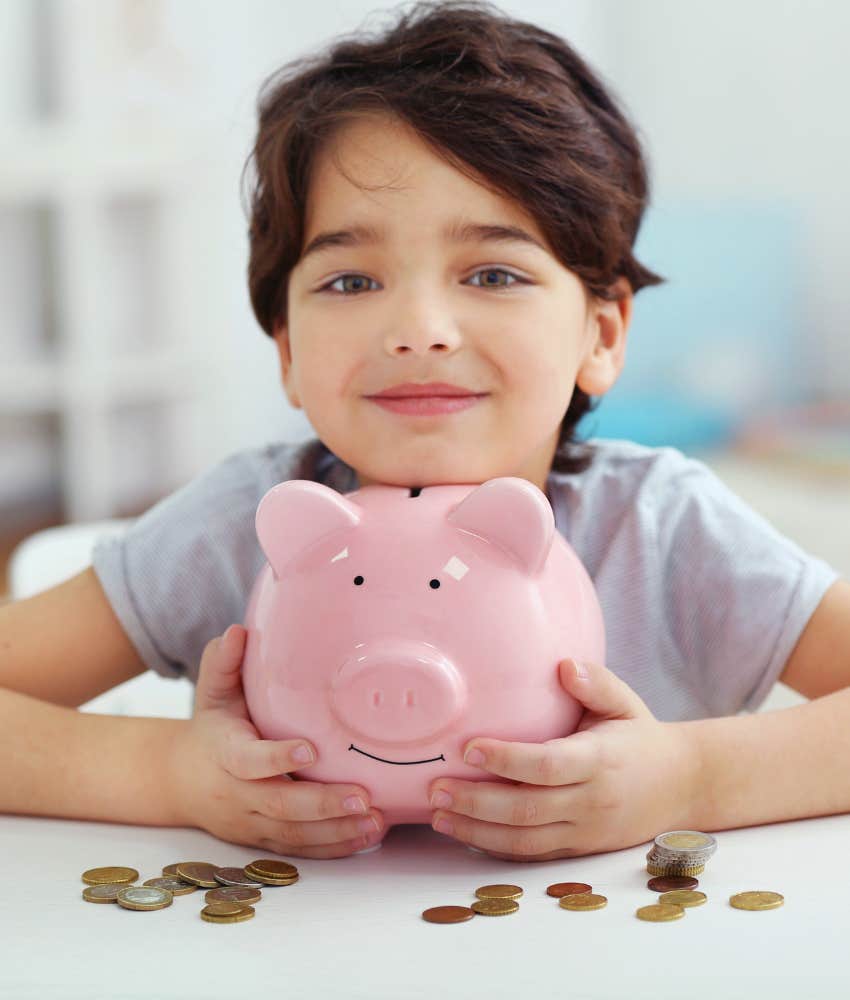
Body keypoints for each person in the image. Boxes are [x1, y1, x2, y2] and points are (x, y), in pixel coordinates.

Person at [1, 0, 848, 863]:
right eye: (350, 282)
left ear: (601, 335)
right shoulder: (239, 524)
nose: (419, 328)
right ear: (286, 350)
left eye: (491, 271)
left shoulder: (665, 529)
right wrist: (167, 776)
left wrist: (692, 777)